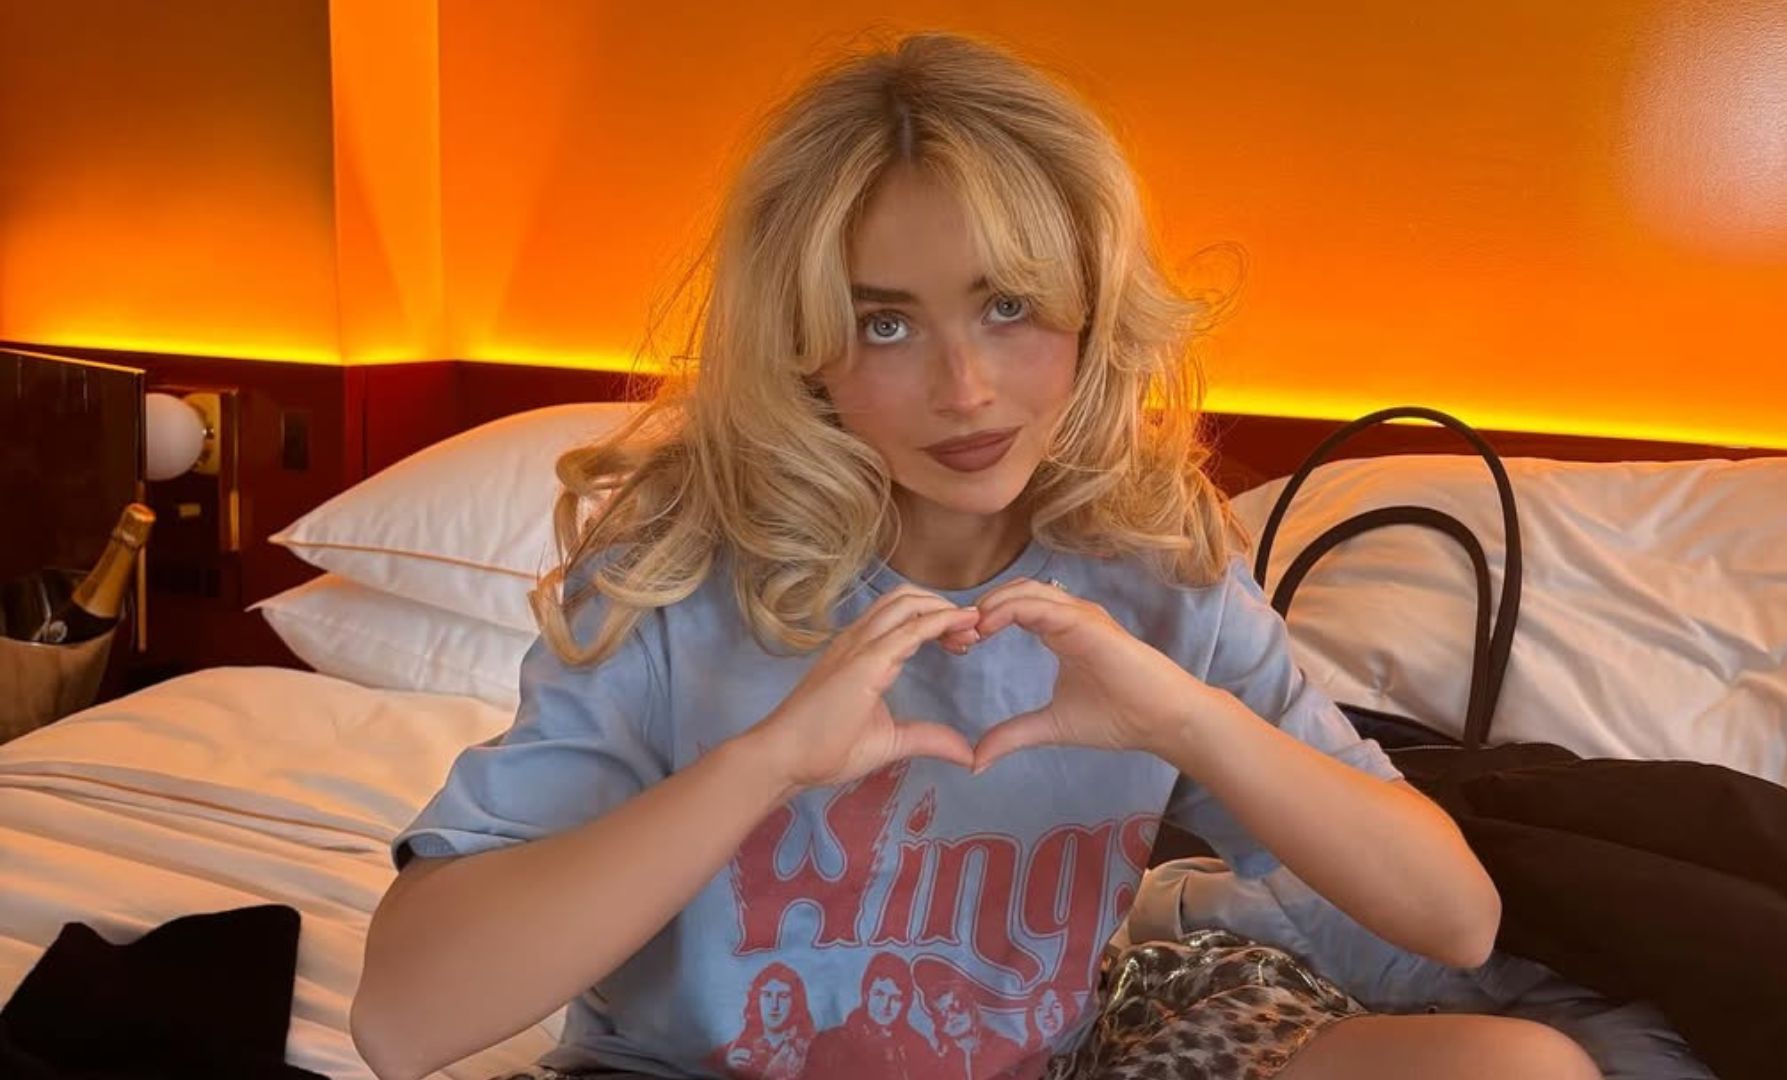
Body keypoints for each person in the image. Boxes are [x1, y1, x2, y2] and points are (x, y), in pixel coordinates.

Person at [350, 30, 1602, 1080]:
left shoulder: (1154, 572)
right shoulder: (673, 576)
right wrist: (766, 763)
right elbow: (402, 1024)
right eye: (885, 324)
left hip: (1057, 1061)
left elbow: (1454, 924)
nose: (965, 389)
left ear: (1091, 309)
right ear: (804, 348)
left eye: (1009, 306)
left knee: (1520, 1068)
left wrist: (1188, 721)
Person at [797, 952, 933, 1079]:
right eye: (879, 994)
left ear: (905, 1003)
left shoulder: (919, 1047)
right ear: (866, 994)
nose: (886, 1006)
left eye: (896, 998)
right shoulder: (829, 1044)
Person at [713, 962, 814, 1079]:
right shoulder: (735, 1049)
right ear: (756, 999)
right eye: (767, 995)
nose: (774, 1005)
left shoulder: (811, 1047)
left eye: (783, 996)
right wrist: (727, 1068)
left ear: (796, 1001)